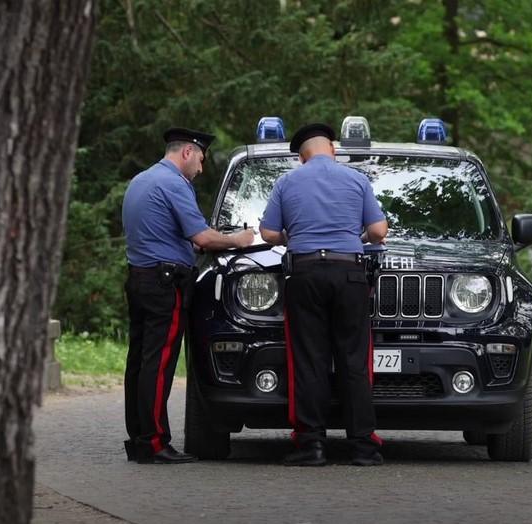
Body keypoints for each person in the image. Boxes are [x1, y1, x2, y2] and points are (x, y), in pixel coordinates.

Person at [122, 127, 255, 464]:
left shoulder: (140, 181)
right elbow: (203, 239)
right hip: (165, 284)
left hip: (139, 278)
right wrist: (238, 240)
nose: (201, 167)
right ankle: (154, 443)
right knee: (159, 364)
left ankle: (138, 438)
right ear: (187, 153)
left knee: (139, 361)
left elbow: (168, 235)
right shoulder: (174, 184)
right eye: (201, 159)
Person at [259, 123, 388, 466]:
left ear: (301, 157)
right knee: (354, 361)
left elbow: (268, 233)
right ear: (332, 148)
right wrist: (356, 235)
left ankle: (311, 446)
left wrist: (292, 235)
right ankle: (363, 447)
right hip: (349, 274)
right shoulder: (357, 179)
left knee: (309, 360)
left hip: (305, 275)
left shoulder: (287, 182)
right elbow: (378, 231)